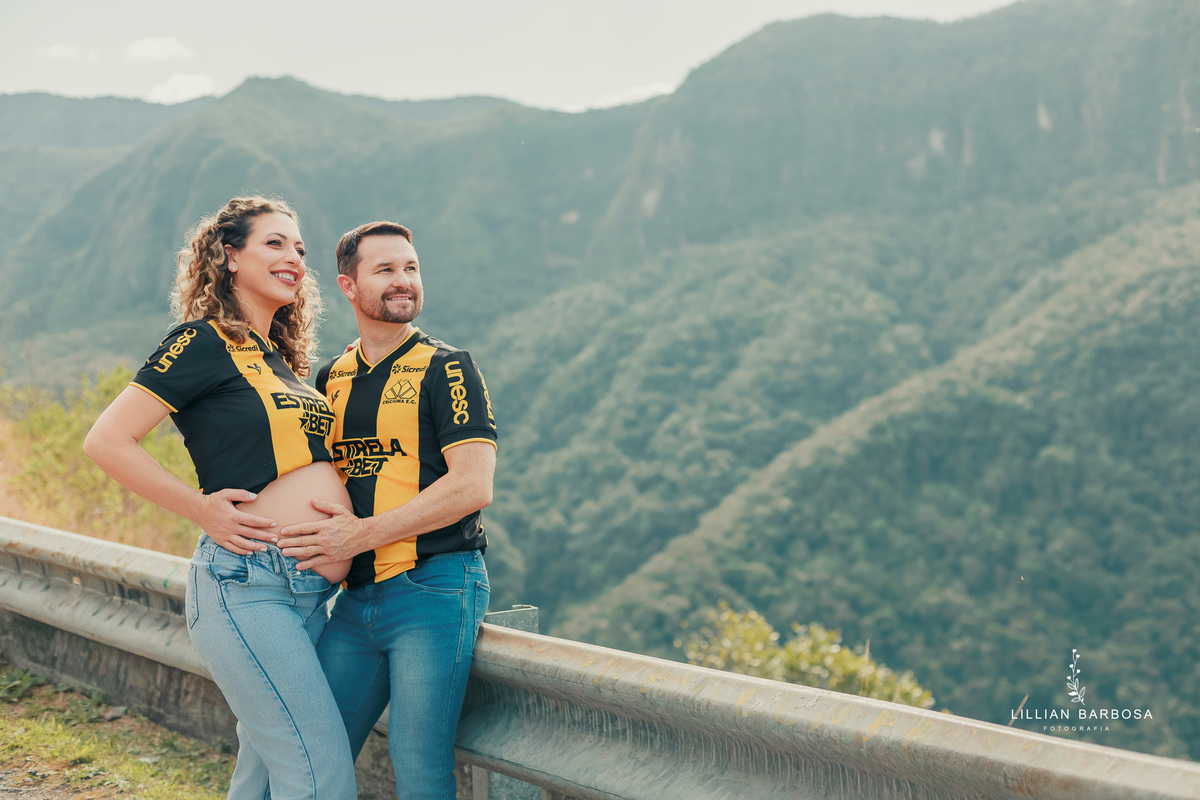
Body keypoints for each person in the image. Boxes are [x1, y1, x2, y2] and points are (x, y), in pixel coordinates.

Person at [84, 196, 356, 800]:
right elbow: (107, 439)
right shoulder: (201, 342)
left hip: (309, 591)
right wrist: (201, 508)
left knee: (261, 778)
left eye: (299, 248)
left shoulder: (282, 363)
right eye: (275, 243)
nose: (293, 257)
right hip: (248, 585)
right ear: (229, 256)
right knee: (320, 777)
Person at [275, 221, 497, 800]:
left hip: (434, 587)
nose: (404, 281)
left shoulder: (448, 366)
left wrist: (360, 535)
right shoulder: (332, 377)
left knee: (418, 766)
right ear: (349, 286)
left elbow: (472, 486)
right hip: (356, 599)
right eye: (386, 270)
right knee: (310, 754)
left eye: (411, 268)